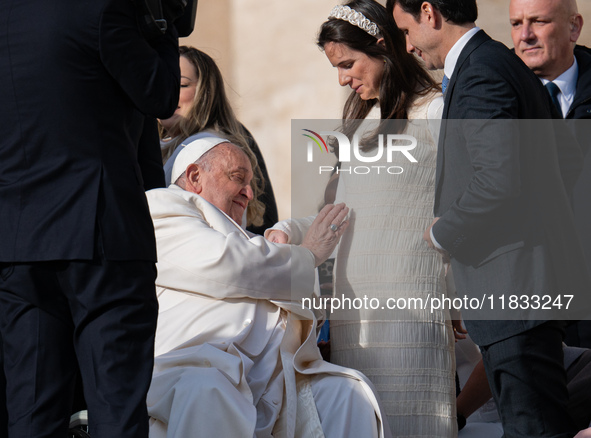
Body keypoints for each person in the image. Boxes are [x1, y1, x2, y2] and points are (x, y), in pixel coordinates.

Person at [390, 0, 590, 436]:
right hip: (524, 289)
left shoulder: (482, 70)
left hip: (514, 292)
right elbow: (566, 160)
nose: (406, 46)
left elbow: (498, 179)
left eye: (405, 30)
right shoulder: (499, 63)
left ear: (429, 12)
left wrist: (443, 232)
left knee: (533, 428)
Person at [267, 0, 463, 435]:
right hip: (354, 314)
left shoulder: (436, 109)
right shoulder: (357, 125)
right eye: (336, 67)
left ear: (383, 47)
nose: (342, 78)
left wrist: (454, 289)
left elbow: (463, 206)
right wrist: (287, 229)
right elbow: (337, 214)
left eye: (349, 63)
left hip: (412, 306)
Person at [0, 0, 180, 436]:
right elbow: (160, 95)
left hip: (17, 241)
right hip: (100, 235)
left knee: (31, 415)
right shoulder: (101, 9)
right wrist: (163, 21)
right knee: (115, 408)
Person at [145, 136, 391, 438]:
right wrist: (308, 253)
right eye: (238, 178)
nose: (249, 193)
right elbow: (229, 265)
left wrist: (292, 238)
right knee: (209, 391)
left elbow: (293, 292)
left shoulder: (252, 242)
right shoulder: (162, 207)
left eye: (251, 184)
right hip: (200, 365)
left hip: (273, 378)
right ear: (195, 176)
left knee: (347, 394)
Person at [509, 0, 591, 349]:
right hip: (532, 304)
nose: (524, 35)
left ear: (574, 27)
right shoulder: (494, 99)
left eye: (538, 22)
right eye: (516, 24)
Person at [159, 45, 278, 234]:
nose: (168, 92)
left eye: (181, 85)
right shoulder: (150, 144)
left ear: (205, 92)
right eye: (161, 82)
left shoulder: (212, 148)